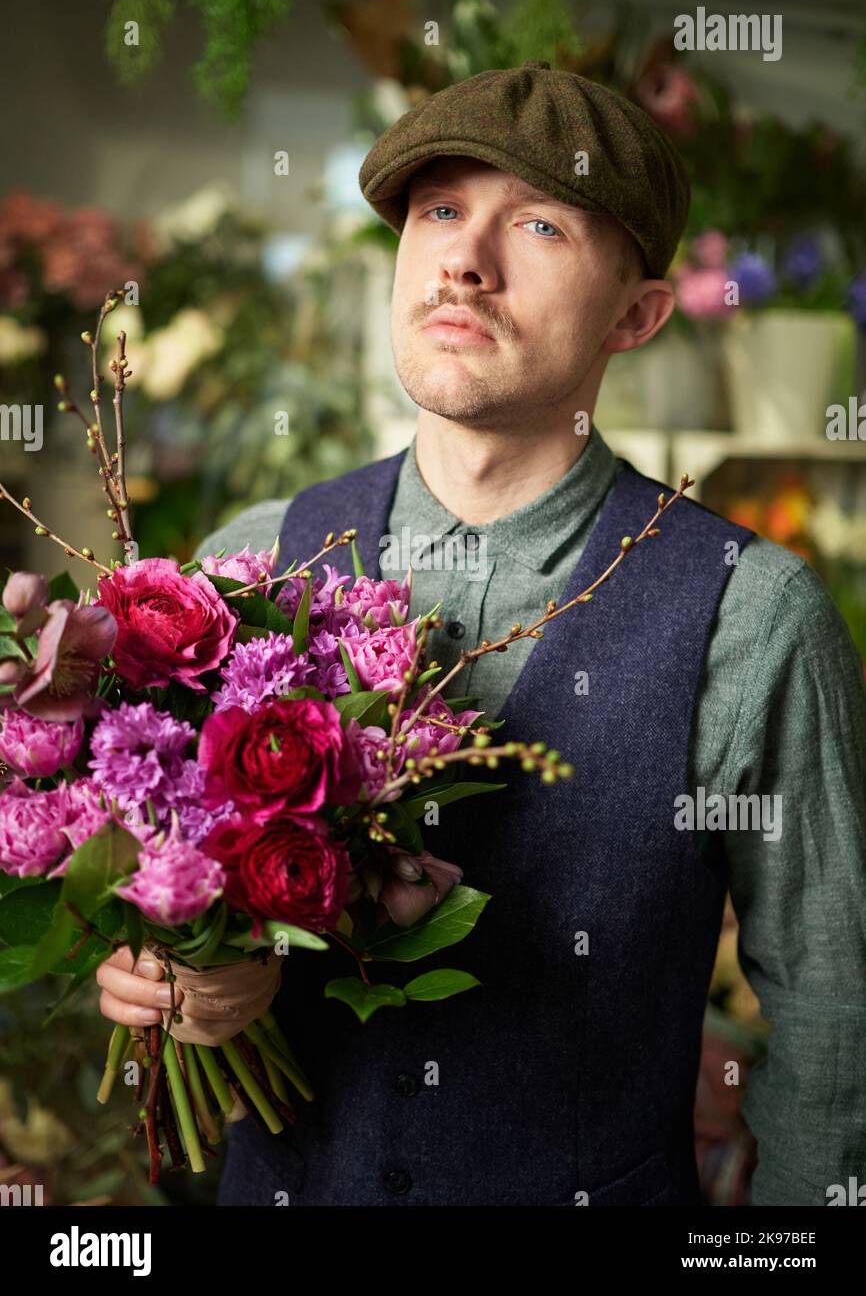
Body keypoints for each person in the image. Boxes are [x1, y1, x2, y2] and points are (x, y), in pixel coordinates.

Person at [97, 60, 866, 1207]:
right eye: (440, 210)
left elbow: (831, 1028)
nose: (464, 256)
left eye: (540, 224)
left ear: (638, 313)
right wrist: (175, 975)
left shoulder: (748, 617)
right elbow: (149, 912)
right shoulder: (248, 565)